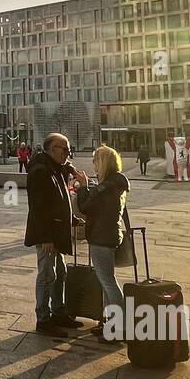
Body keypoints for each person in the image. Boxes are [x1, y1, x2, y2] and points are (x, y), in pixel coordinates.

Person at [24, 133, 82, 336]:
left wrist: (71, 219)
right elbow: (39, 207)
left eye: (68, 149)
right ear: (51, 150)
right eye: (64, 149)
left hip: (56, 231)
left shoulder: (54, 167)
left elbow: (59, 200)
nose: (68, 153)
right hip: (47, 235)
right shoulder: (41, 171)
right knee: (47, 275)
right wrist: (45, 237)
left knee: (60, 273)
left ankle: (59, 312)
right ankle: (43, 319)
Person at [72, 145, 131, 345]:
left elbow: (85, 207)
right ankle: (109, 323)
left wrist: (83, 186)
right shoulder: (115, 183)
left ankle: (118, 327)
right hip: (109, 236)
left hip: (102, 238)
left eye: (95, 161)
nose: (93, 165)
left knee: (108, 283)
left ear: (103, 162)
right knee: (107, 282)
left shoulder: (107, 186)